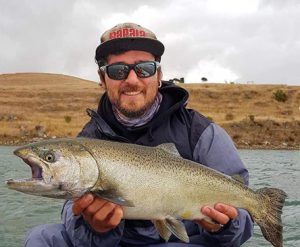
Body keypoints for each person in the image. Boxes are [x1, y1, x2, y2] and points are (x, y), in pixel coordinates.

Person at [24, 22, 254, 247]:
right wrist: (96, 230)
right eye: (117, 71)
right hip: (116, 243)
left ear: (158, 74)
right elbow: (72, 222)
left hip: (183, 241)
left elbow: (243, 218)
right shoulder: (88, 139)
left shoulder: (201, 133)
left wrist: (223, 226)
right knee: (41, 237)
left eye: (144, 68)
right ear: (103, 79)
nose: (132, 80)